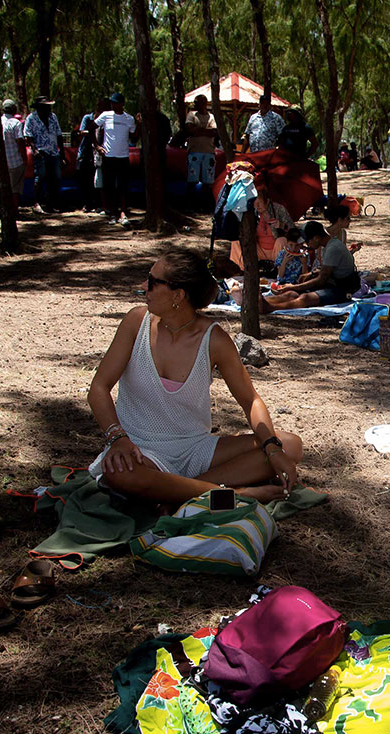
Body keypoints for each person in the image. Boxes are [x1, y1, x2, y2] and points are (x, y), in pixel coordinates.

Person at [87, 252, 302, 506]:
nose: (145, 287)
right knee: (119, 473)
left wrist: (272, 447)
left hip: (196, 450)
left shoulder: (214, 340)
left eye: (153, 281)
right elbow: (99, 388)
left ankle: (183, 492)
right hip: (139, 449)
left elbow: (250, 400)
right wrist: (117, 438)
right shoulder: (137, 322)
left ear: (178, 295)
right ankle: (233, 495)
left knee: (290, 445)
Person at [258, 219, 358, 311]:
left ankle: (270, 307)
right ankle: (262, 301)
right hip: (331, 283)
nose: (307, 244)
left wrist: (294, 286)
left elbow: (321, 279)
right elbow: (325, 270)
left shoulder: (333, 248)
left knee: (306, 299)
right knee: (292, 294)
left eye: (307, 241)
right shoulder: (328, 245)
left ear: (316, 238)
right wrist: (310, 274)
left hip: (342, 289)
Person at [96, 91, 138, 226]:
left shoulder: (129, 119)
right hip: (108, 156)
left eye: (116, 103)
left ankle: (123, 212)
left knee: (123, 186)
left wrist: (140, 124)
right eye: (112, 103)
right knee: (109, 186)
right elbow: (91, 128)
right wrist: (97, 146)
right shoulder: (105, 116)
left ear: (122, 104)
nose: (113, 105)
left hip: (123, 156)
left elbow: (134, 138)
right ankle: (112, 213)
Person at [229, 189, 293, 269]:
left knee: (281, 240)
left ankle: (279, 269)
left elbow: (293, 231)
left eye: (260, 202)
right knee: (236, 241)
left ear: (267, 201)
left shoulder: (278, 209)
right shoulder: (252, 213)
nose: (257, 205)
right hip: (258, 250)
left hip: (276, 250)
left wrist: (282, 225)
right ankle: (244, 269)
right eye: (255, 202)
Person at [23, 96, 63, 213]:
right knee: (39, 177)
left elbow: (59, 134)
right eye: (46, 106)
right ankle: (37, 203)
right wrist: (34, 150)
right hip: (40, 151)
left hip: (53, 151)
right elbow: (28, 135)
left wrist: (62, 153)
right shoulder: (31, 118)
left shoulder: (53, 117)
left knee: (55, 178)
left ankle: (52, 203)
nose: (49, 108)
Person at [185, 95, 218, 207]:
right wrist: (205, 131)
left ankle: (205, 205)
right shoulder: (191, 115)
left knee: (208, 182)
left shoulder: (212, 117)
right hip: (194, 151)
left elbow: (214, 132)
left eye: (199, 102)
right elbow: (190, 130)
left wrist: (198, 130)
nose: (196, 104)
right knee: (192, 180)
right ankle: (191, 204)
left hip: (208, 152)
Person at [76, 98, 108, 213]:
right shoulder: (88, 118)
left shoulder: (106, 120)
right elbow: (81, 132)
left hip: (98, 153)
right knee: (85, 179)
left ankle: (97, 203)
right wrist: (90, 131)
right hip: (86, 151)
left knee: (97, 179)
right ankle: (86, 203)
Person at [0, 99, 27, 217]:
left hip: (2, 161)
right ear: (14, 109)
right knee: (15, 188)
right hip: (15, 160)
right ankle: (14, 211)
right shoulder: (16, 123)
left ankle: (0, 211)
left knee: (2, 187)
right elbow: (20, 141)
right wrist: (24, 158)